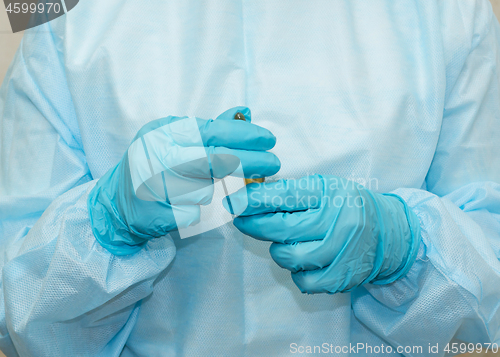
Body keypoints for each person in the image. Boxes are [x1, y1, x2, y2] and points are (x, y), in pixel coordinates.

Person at [0, 0, 499, 355]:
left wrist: (405, 247)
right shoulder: (59, 11)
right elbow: (14, 311)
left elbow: (491, 290)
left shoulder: (451, 10)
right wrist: (107, 224)